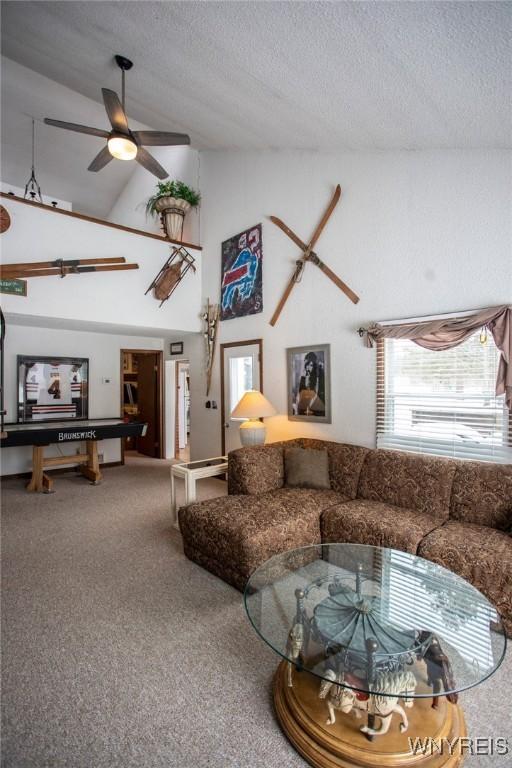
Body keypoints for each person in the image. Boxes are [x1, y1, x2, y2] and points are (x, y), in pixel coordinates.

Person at [295, 351, 325, 416]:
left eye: (311, 365)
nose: (308, 367)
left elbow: (317, 394)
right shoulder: (303, 377)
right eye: (307, 364)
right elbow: (299, 395)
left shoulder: (319, 378)